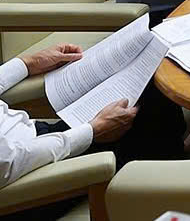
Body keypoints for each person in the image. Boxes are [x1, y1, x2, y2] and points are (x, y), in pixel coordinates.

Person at [0, 43, 137, 197]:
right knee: (145, 117)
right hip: (33, 174)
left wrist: (28, 63)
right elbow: (8, 163)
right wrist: (93, 131)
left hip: (37, 138)